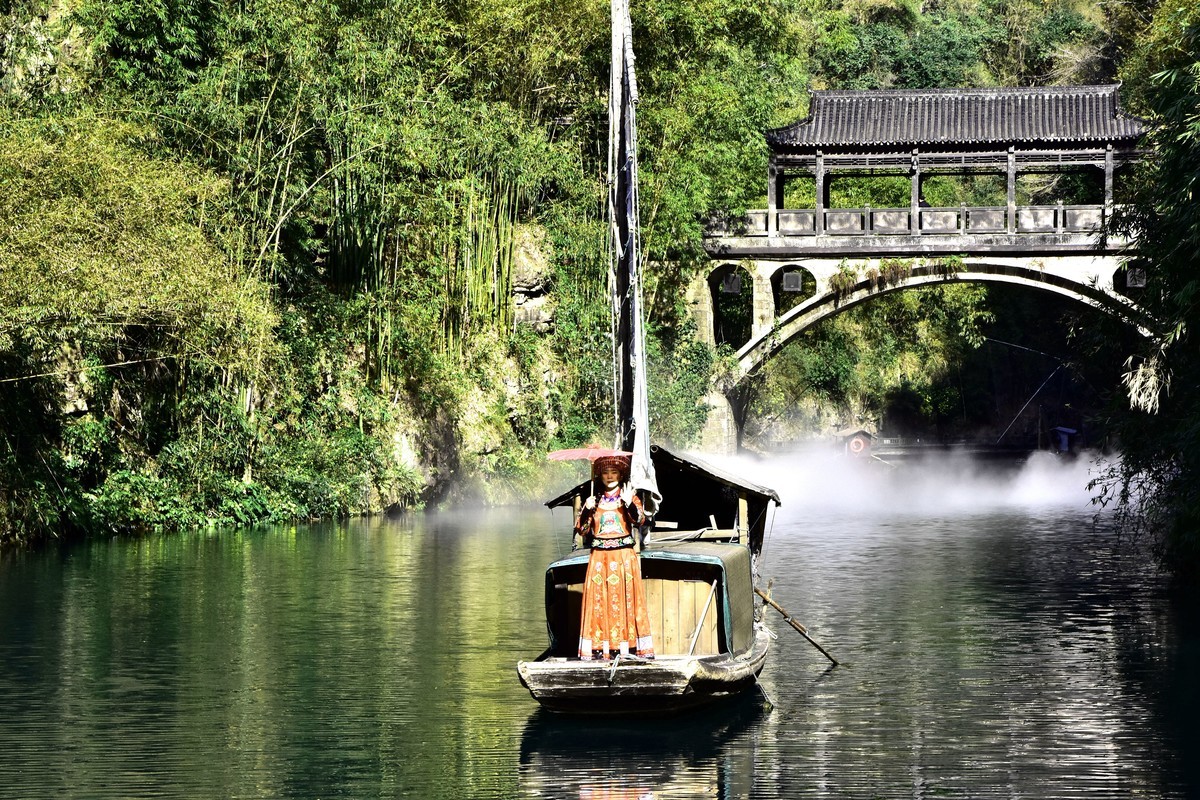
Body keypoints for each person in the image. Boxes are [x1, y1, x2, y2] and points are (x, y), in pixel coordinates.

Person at [574, 455, 655, 661]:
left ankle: (628, 647)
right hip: (599, 559)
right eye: (605, 473)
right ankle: (600, 648)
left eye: (614, 472)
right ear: (600, 476)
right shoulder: (594, 500)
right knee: (599, 599)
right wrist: (586, 511)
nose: (609, 476)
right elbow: (582, 531)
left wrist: (629, 504)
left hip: (623, 559)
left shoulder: (628, 497)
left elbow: (640, 520)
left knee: (626, 598)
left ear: (620, 475)